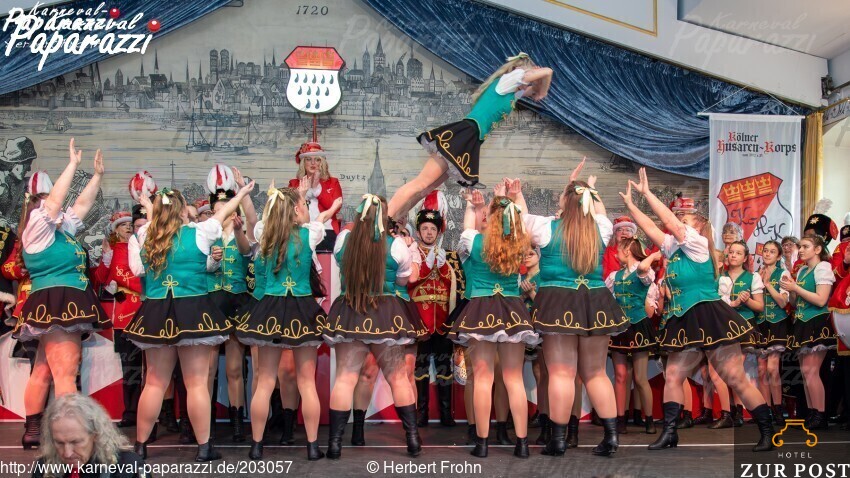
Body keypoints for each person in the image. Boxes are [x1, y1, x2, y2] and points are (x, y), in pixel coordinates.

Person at [620, 168, 774, 452]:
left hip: (708, 315)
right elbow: (653, 228)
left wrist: (648, 194)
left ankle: (767, 431)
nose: (679, 221)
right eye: (680, 219)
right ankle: (669, 433)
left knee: (735, 378)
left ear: (699, 226)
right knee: (673, 375)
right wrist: (632, 205)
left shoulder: (699, 244)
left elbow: (669, 222)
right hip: (684, 319)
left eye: (686, 219)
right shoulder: (674, 248)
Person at [125, 180, 254, 461]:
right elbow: (223, 213)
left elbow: (141, 260)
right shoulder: (200, 232)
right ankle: (204, 447)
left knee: (154, 382)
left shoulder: (146, 233)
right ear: (184, 210)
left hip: (157, 310)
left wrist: (148, 206)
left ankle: (140, 446)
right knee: (196, 383)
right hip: (193, 310)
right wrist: (242, 193)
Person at [523, 161, 628, 457]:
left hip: (558, 302)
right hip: (595, 301)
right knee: (596, 373)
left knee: (561, 373)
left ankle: (557, 441)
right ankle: (611, 438)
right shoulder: (602, 228)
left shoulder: (546, 227)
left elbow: (520, 218)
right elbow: (600, 212)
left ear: (565, 202)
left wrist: (515, 194)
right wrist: (590, 190)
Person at [14, 139, 110, 448]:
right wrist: (72, 165)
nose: (53, 205)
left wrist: (96, 177)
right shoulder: (37, 226)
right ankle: (72, 435)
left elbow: (79, 207)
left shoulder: (57, 228)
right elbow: (55, 204)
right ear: (37, 204)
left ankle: (33, 431)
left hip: (58, 300)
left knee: (44, 369)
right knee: (66, 372)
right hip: (57, 302)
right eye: (46, 200)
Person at [237, 183, 341, 460]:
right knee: (306, 382)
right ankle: (312, 447)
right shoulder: (309, 234)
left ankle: (257, 446)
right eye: (303, 206)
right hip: (302, 309)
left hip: (270, 308)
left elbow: (261, 219)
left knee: (265, 381)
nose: (306, 209)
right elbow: (320, 219)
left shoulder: (265, 233)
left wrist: (298, 198)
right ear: (295, 210)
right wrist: (325, 205)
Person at [387, 53, 553, 219]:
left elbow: (538, 92)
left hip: (471, 140)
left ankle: (394, 219)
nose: (528, 81)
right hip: (465, 135)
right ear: (518, 70)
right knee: (421, 183)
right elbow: (548, 72)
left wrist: (538, 83)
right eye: (528, 76)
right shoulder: (509, 80)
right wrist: (538, 75)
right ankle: (384, 218)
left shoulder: (513, 93)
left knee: (426, 188)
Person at [322, 194, 422, 459]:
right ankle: (413, 440)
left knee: (345, 378)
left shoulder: (344, 239)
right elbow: (403, 282)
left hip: (351, 311)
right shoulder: (396, 245)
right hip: (385, 314)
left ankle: (334, 444)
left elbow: (341, 265)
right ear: (384, 216)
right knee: (398, 378)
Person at [449, 182, 539, 459]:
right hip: (513, 310)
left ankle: (482, 443)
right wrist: (511, 196)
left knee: (483, 379)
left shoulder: (475, 242)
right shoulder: (520, 242)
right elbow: (522, 216)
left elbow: (467, 227)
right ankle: (522, 444)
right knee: (514, 379)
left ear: (490, 218)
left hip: (481, 309)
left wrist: (471, 205)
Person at [204, 165, 258, 443]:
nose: (222, 212)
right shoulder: (205, 237)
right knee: (208, 369)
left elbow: (247, 248)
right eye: (217, 209)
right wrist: (211, 260)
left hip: (238, 302)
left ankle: (238, 423)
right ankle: (206, 423)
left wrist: (243, 190)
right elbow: (202, 270)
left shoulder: (243, 233)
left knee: (234, 368)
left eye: (227, 207)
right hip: (212, 303)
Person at [409, 191, 457, 428]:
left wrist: (444, 267)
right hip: (421, 321)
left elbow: (455, 287)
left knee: (445, 367)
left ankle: (446, 414)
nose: (429, 232)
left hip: (443, 321)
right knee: (420, 369)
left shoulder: (447, 256)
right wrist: (427, 266)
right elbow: (409, 283)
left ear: (439, 232)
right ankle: (422, 414)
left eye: (433, 229)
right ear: (418, 232)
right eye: (425, 228)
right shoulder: (412, 254)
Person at [93, 211, 143, 429]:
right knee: (130, 366)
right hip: (125, 315)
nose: (129, 228)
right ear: (115, 230)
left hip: (148, 310)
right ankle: (131, 412)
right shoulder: (113, 250)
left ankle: (157, 411)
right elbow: (101, 279)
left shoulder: (142, 245)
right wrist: (106, 260)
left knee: (155, 366)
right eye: (123, 225)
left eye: (131, 224)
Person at [606, 238, 660, 435]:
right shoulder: (615, 276)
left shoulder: (644, 271)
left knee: (640, 377)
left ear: (628, 250)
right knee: (620, 376)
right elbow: (606, 298)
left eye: (620, 249)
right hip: (620, 327)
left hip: (638, 325)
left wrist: (654, 255)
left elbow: (643, 269)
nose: (616, 253)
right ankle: (620, 419)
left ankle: (649, 419)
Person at [783, 234, 836, 430]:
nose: (801, 250)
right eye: (800, 247)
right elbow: (796, 303)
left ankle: (820, 415)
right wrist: (791, 290)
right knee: (805, 373)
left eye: (805, 246)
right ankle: (811, 413)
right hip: (802, 322)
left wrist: (796, 287)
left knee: (811, 371)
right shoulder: (803, 270)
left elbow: (821, 300)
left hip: (817, 322)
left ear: (818, 249)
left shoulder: (823, 267)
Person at [31, 393, 146, 478]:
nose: (67, 453)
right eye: (59, 443)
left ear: (95, 434)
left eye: (75, 442)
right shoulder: (45, 467)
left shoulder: (129, 468)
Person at [716, 240, 764, 426]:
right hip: (723, 326)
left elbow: (759, 306)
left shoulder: (752, 277)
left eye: (738, 253)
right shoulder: (719, 278)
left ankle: (739, 413)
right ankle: (735, 412)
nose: (733, 255)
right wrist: (732, 303)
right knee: (728, 372)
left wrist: (747, 301)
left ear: (745, 258)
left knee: (735, 370)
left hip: (744, 326)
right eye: (731, 252)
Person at [756, 240, 792, 426]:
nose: (767, 254)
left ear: (778, 257)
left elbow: (783, 302)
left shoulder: (783, 274)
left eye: (772, 251)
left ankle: (778, 409)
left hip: (778, 322)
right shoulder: (756, 274)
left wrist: (768, 284)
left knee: (772, 368)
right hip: (760, 324)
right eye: (765, 251)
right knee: (762, 370)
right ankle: (766, 411)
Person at [288, 142, 343, 252]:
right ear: (303, 163)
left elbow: (335, 208)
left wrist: (317, 189)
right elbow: (289, 211)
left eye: (317, 159)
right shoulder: (294, 183)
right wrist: (302, 195)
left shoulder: (333, 182)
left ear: (322, 163)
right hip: (301, 232)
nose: (313, 163)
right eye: (308, 159)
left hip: (327, 231)